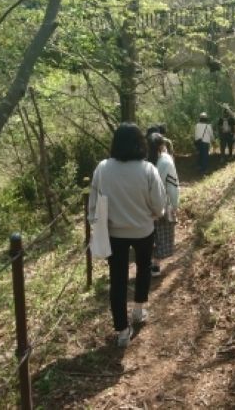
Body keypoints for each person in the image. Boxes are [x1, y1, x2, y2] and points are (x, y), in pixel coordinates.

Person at [88, 123, 166, 347]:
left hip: (114, 233)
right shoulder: (148, 169)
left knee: (117, 280)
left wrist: (96, 223)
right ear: (140, 143)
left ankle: (122, 331)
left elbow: (93, 204)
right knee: (143, 269)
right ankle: (139, 310)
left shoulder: (102, 168)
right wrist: (153, 215)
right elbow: (159, 205)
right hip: (143, 230)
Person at [147, 132, 180, 277]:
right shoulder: (166, 161)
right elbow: (172, 185)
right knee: (162, 235)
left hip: (146, 206)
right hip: (162, 204)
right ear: (162, 146)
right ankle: (155, 265)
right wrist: (175, 204)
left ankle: (147, 262)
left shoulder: (144, 161)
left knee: (149, 236)